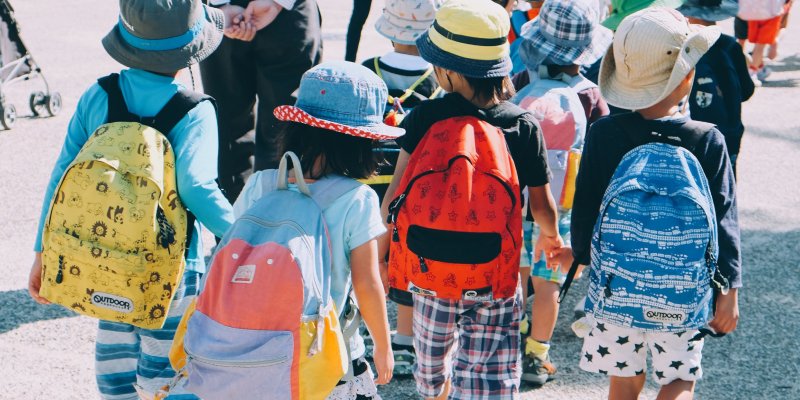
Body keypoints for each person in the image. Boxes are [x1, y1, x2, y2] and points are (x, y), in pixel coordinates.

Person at [27, 1, 235, 399]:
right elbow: (196, 188)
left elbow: (61, 177)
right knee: (169, 373)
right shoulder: (194, 111)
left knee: (117, 372)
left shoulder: (100, 94)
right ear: (189, 51)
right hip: (170, 269)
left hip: (100, 260)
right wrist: (245, 234)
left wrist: (43, 252)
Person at [381, 1, 562, 398]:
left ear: (445, 69)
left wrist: (387, 253)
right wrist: (551, 238)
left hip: (431, 273)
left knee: (431, 367)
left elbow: (391, 202)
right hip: (494, 274)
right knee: (491, 372)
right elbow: (543, 207)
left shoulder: (424, 118)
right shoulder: (521, 125)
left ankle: (438, 389)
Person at [571, 8, 741, 400]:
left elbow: (586, 206)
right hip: (683, 291)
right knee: (680, 380)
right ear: (685, 77)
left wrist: (581, 256)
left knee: (625, 381)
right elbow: (724, 217)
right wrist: (728, 289)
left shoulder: (604, 133)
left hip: (615, 287)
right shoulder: (707, 139)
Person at [233, 61, 398, 399]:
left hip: (258, 339)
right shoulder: (357, 198)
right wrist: (383, 345)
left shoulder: (262, 183)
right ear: (360, 142)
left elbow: (230, 250)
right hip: (325, 348)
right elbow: (367, 283)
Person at [510, 0, 612, 385]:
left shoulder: (521, 83)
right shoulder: (590, 95)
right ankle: (537, 355)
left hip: (518, 202)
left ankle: (508, 341)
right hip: (561, 207)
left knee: (515, 277)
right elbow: (599, 152)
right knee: (548, 283)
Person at [360, 0, 441, 377]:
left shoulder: (367, 72)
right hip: (413, 186)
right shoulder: (438, 79)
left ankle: (358, 332)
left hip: (365, 181)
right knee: (407, 261)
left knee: (364, 258)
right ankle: (406, 340)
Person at [202, 0, 322, 203]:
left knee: (231, 131)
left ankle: (235, 227)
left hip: (230, 12)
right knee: (285, 130)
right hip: (287, 14)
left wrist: (220, 5)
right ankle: (273, 223)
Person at [678, 0, 756, 175]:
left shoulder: (686, 49)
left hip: (694, 133)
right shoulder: (730, 45)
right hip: (729, 131)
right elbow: (746, 91)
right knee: (725, 183)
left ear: (688, 15)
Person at [737, 0, 787, 85]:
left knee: (754, 43)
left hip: (752, 11)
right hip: (771, 14)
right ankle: (752, 72)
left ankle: (758, 67)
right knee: (760, 45)